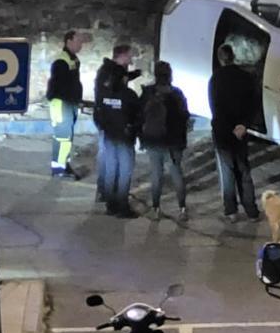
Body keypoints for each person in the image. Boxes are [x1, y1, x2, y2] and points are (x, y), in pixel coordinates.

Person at [209, 43, 261, 222]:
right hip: (241, 132)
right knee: (244, 171)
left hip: (222, 132)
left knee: (227, 172)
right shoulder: (246, 77)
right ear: (233, 56)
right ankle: (251, 210)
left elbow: (215, 106)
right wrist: (243, 125)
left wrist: (227, 126)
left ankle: (231, 210)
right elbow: (254, 103)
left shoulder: (215, 79)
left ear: (220, 59)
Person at [139, 60, 191, 221]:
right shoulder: (177, 94)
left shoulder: (148, 92)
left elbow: (140, 116)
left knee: (156, 174)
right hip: (173, 142)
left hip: (153, 140)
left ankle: (156, 208)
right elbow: (185, 117)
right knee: (176, 173)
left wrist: (141, 136)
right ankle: (182, 208)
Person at [94, 46, 142, 218]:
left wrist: (104, 127)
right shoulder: (129, 95)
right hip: (124, 138)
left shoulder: (104, 93)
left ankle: (110, 203)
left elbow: (98, 113)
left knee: (111, 169)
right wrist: (134, 131)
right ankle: (122, 206)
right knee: (124, 172)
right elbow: (138, 116)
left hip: (110, 135)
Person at [46, 30, 85, 179]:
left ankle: (64, 165)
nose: (80, 44)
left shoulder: (73, 59)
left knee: (67, 138)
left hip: (69, 103)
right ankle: (59, 170)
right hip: (61, 104)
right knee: (62, 137)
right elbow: (59, 86)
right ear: (69, 41)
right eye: (78, 41)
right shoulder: (61, 61)